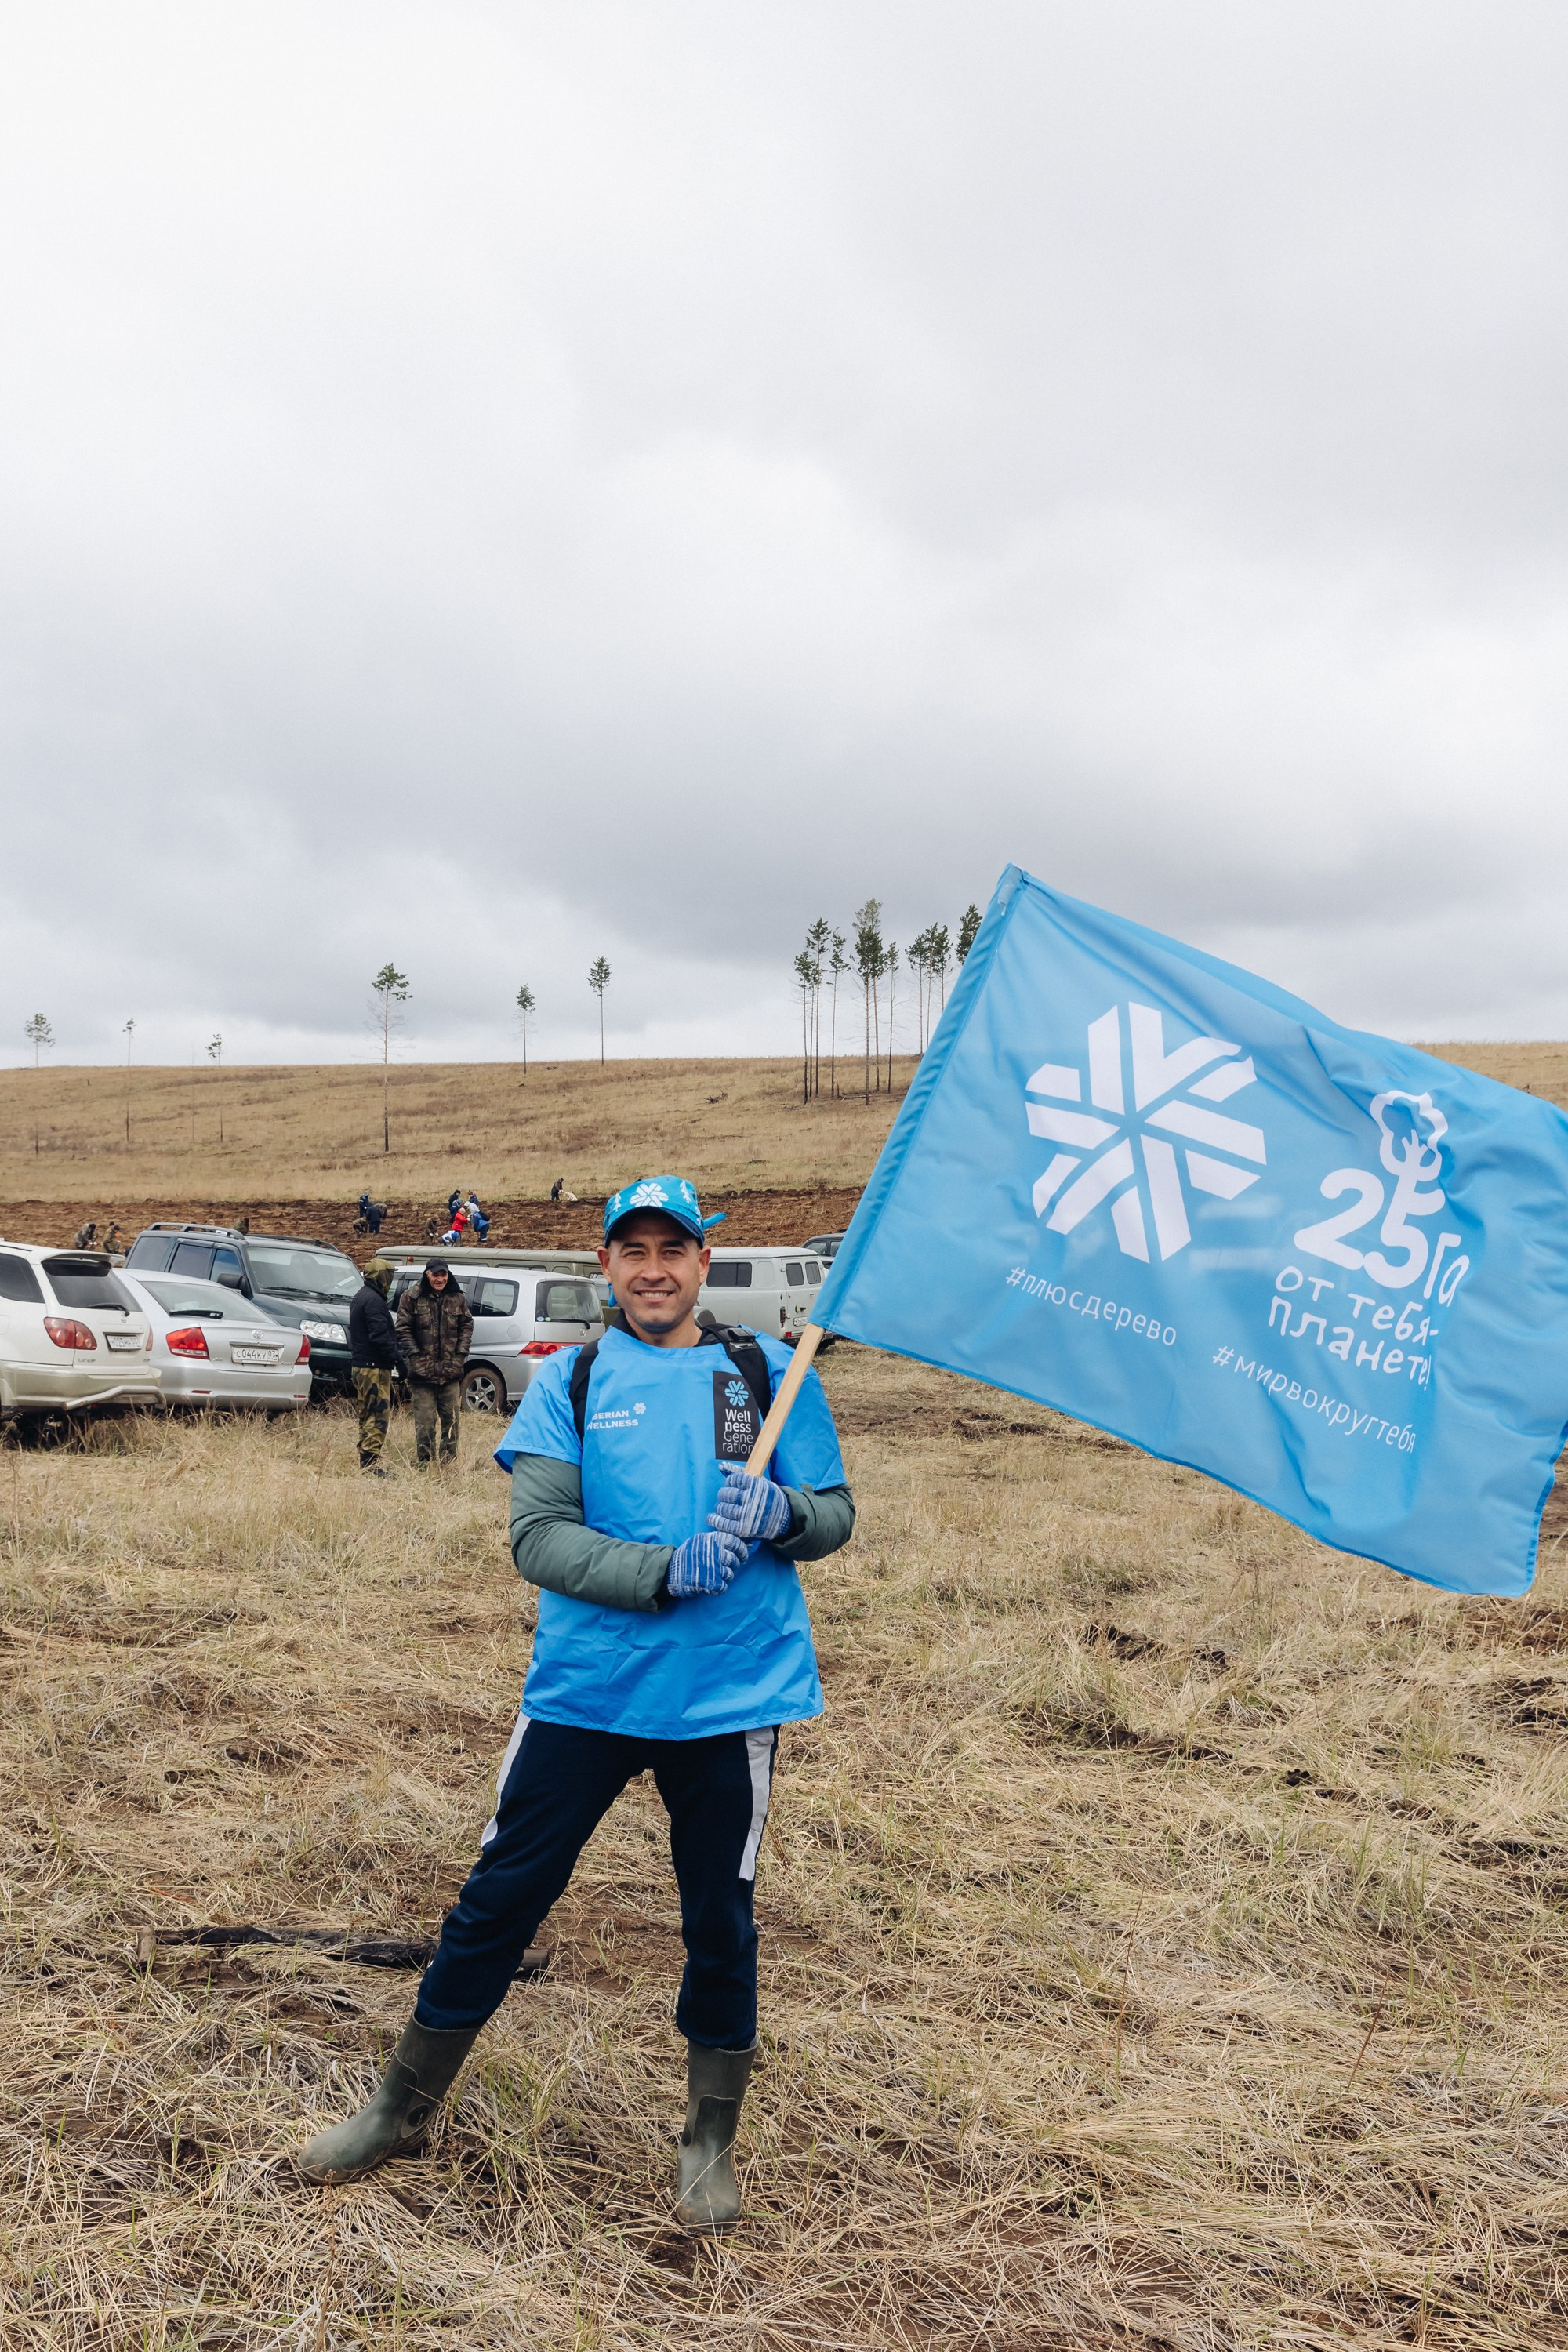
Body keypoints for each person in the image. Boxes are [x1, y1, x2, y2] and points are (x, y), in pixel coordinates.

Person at [295, 1175, 855, 2232]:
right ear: (604, 1265)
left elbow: (834, 1517)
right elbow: (538, 1537)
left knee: (719, 1920)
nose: (653, 1269)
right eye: (631, 1250)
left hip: (731, 1698)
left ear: (702, 1262)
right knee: (499, 1899)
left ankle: (706, 2140)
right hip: (587, 1694)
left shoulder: (771, 1374)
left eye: (672, 1250)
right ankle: (401, 2107)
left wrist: (785, 1512)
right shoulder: (575, 1380)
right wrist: (655, 1569)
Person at [395, 1258, 473, 1465]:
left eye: (443, 1275)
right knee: (425, 1423)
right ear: (427, 1274)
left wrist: (461, 1354)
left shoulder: (457, 1298)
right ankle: (425, 1463)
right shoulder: (411, 1297)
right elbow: (402, 1329)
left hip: (451, 1373)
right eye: (436, 1275)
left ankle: (448, 1464)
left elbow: (467, 1326)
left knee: (452, 1422)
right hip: (422, 1375)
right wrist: (415, 1356)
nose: (440, 1279)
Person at [349, 1258, 405, 1476]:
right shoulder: (373, 1300)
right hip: (373, 1368)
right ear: (381, 1276)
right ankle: (371, 1466)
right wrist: (398, 1360)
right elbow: (379, 1336)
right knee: (377, 1415)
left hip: (361, 1366)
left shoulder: (361, 1296)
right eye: (388, 1275)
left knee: (366, 1413)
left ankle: (366, 1460)